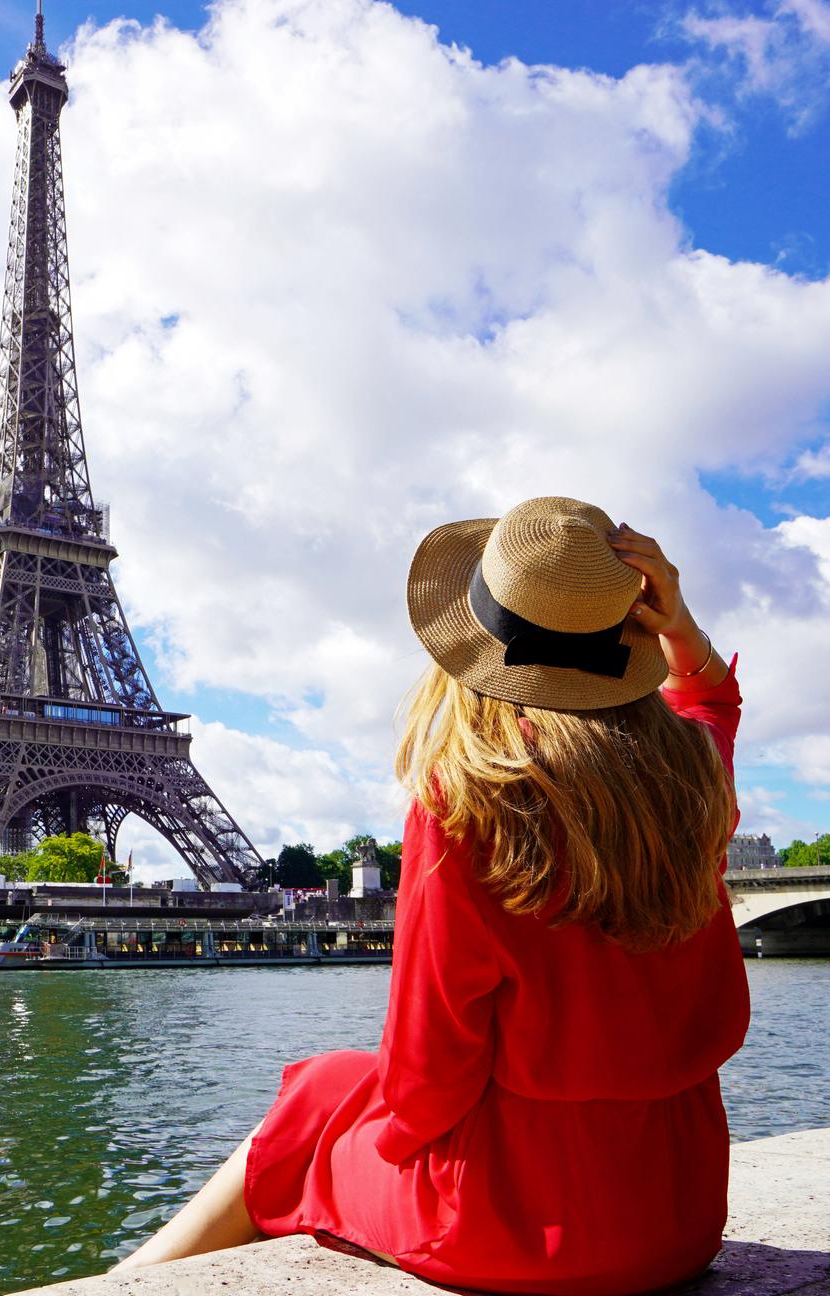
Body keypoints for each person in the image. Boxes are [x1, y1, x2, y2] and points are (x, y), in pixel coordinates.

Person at [112, 496, 750, 1295]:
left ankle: (123, 1283)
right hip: (679, 1214)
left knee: (308, 1107)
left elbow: (427, 1075)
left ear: (477, 644)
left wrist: (371, 1136)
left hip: (515, 1228)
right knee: (329, 1086)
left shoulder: (468, 804)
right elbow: (708, 708)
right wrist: (682, 628)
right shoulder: (691, 780)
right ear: (632, 633)